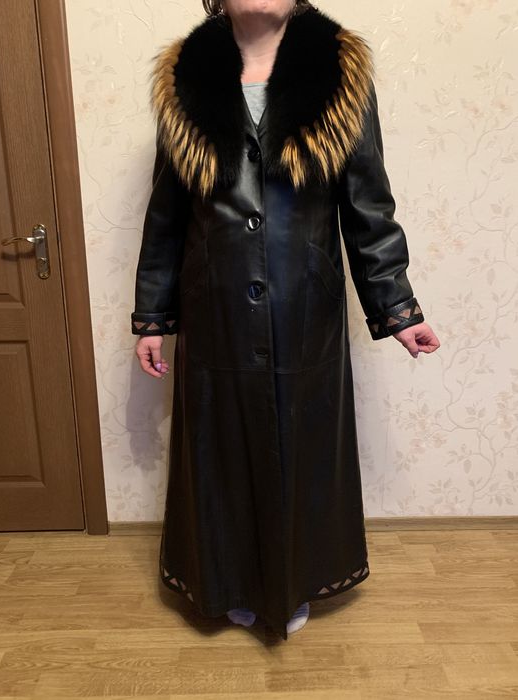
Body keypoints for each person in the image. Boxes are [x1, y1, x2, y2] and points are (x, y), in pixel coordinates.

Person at [131, 0, 440, 640]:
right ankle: (228, 583)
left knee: (300, 447)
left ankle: (292, 584)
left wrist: (396, 306)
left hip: (305, 306)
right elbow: (166, 217)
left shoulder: (339, 74)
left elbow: (368, 206)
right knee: (222, 450)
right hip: (214, 309)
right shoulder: (182, 80)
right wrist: (153, 317)